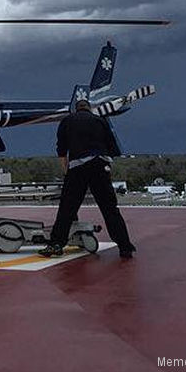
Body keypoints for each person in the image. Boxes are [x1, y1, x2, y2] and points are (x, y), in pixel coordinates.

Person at [39, 99, 137, 259]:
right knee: (110, 208)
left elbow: (62, 149)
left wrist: (66, 172)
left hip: (78, 167)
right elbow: (113, 147)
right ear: (90, 108)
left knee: (67, 208)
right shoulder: (100, 121)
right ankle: (124, 246)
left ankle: (56, 244)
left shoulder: (67, 121)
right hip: (100, 165)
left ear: (76, 109)